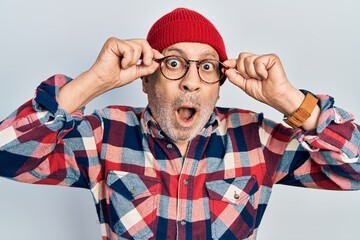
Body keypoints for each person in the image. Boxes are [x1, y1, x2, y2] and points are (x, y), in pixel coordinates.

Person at [0, 7, 359, 240]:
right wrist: (94, 81)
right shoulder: (104, 135)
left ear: (219, 85)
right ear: (146, 79)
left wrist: (290, 100)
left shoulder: (259, 140)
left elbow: (355, 171)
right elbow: (7, 155)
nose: (190, 81)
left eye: (206, 66)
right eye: (174, 63)